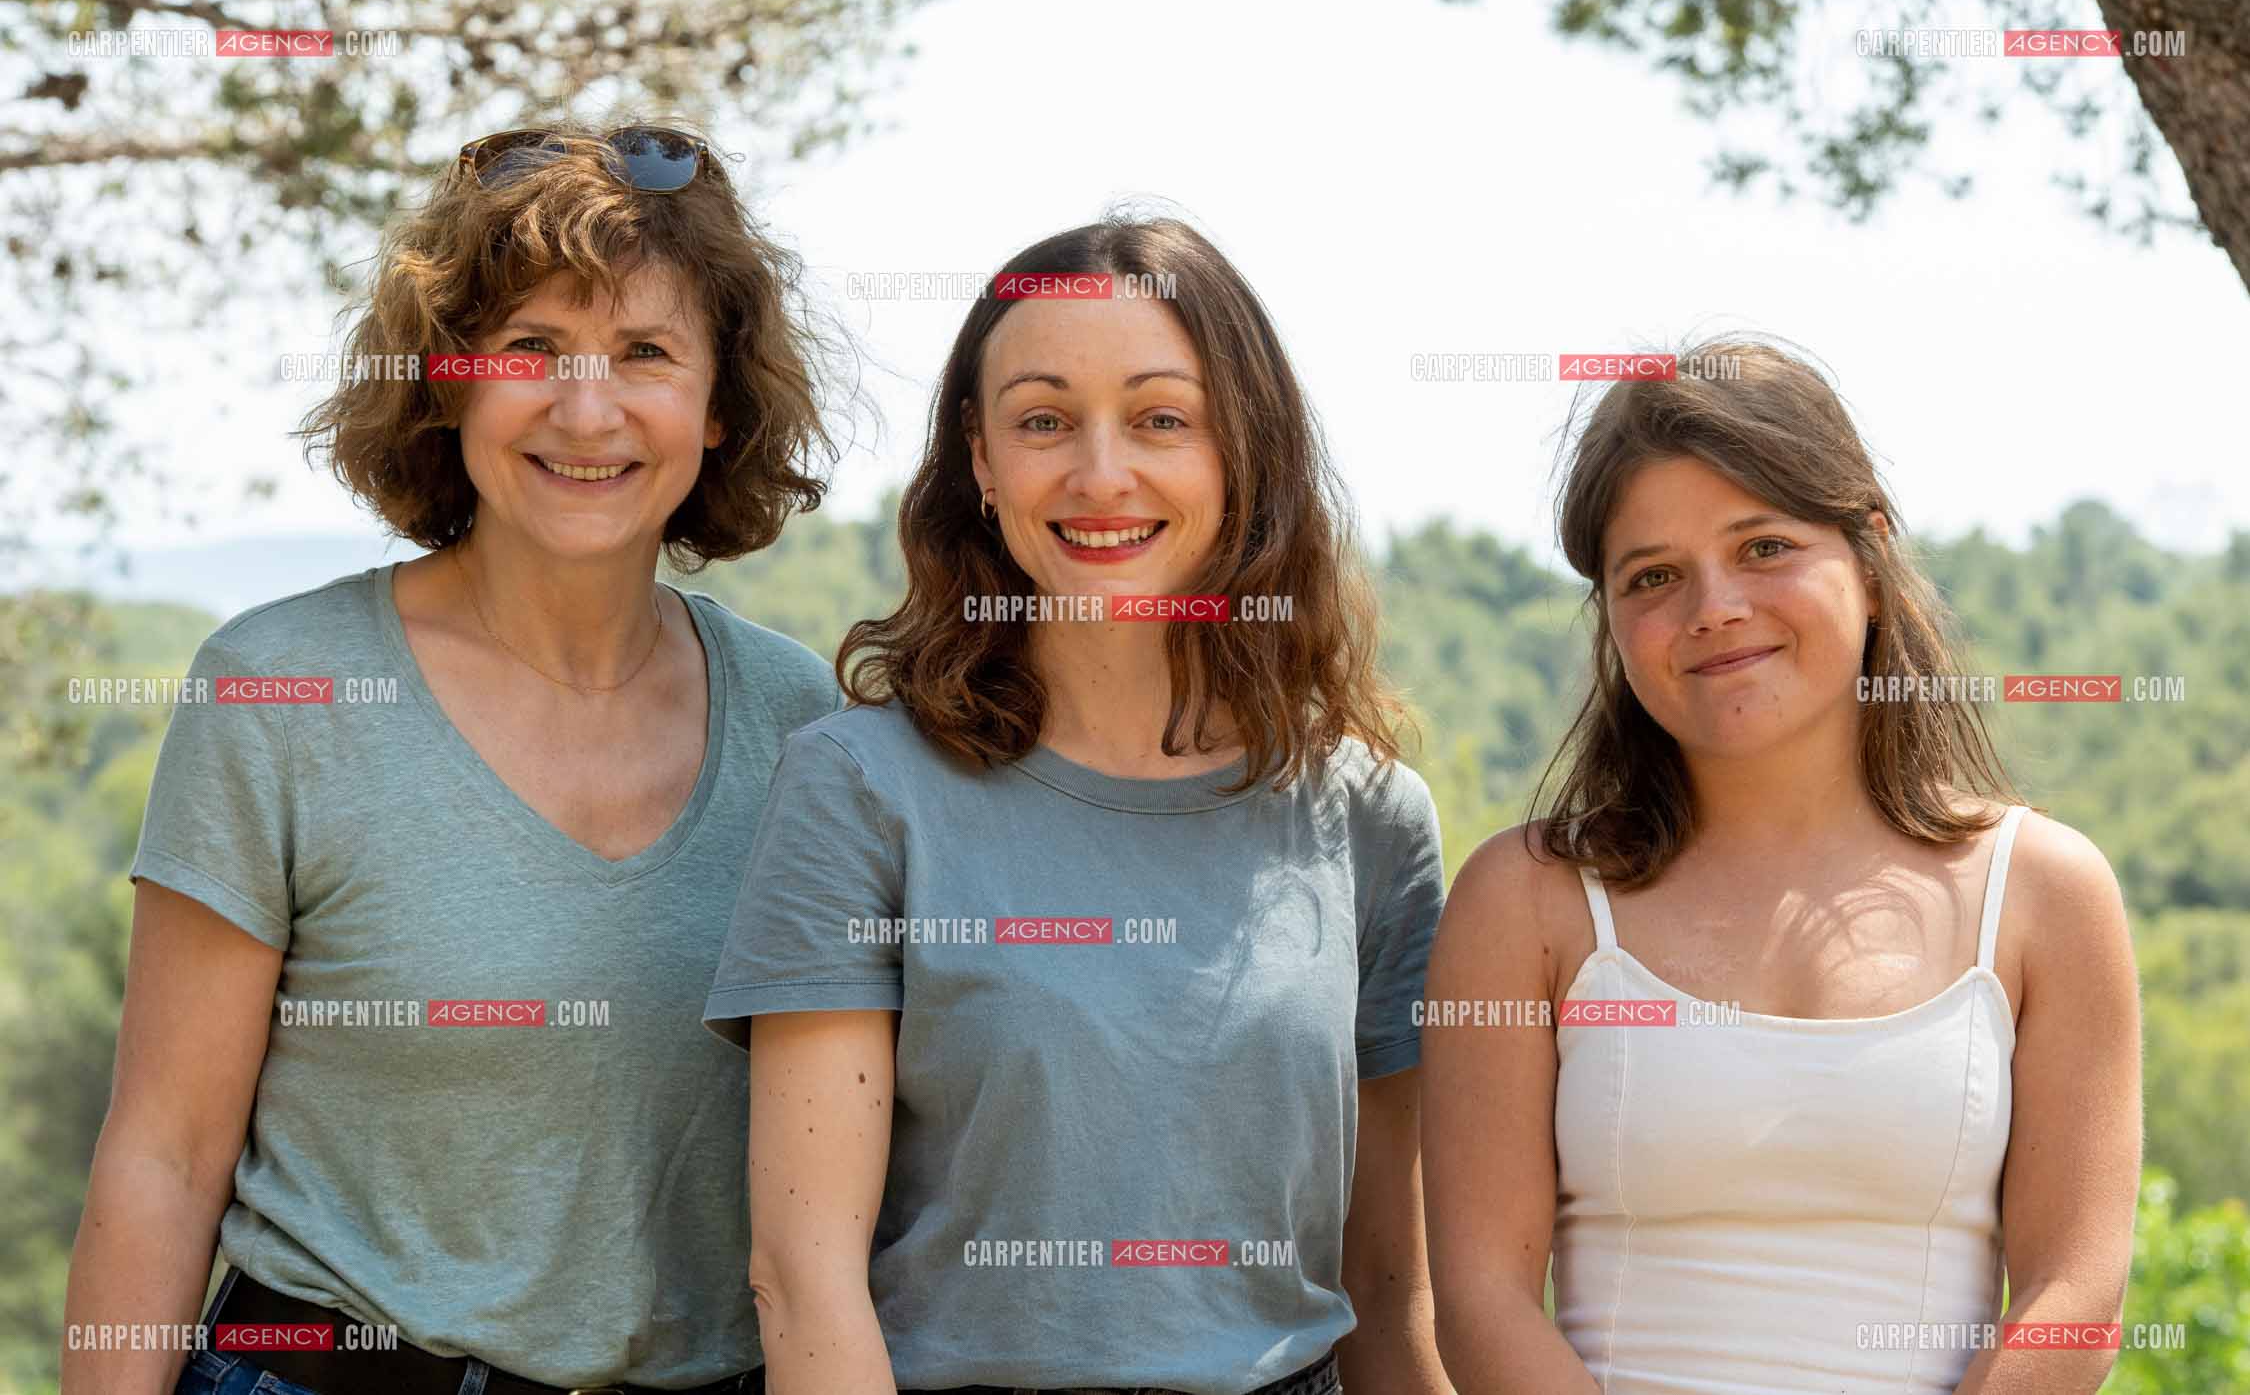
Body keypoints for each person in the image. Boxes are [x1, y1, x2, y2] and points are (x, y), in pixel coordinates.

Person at [62, 122, 845, 1395]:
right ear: (448, 381)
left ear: (718, 408)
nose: (585, 409)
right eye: (531, 349)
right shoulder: (280, 691)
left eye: (644, 352)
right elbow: (163, 1153)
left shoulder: (796, 719)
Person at [704, 216, 1452, 1395]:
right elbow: (804, 1277)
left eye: (1162, 418)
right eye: (1044, 420)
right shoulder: (860, 786)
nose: (1102, 475)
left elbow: (1392, 1291)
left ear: (1242, 452)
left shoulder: (1371, 817)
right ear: (982, 462)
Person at [1421, 339, 2143, 1394]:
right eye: (1654, 576)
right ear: (1612, 621)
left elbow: (2074, 1297)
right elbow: (1479, 1300)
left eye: (1763, 547)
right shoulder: (1524, 902)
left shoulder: (2045, 893)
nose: (1713, 607)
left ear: (1872, 558)